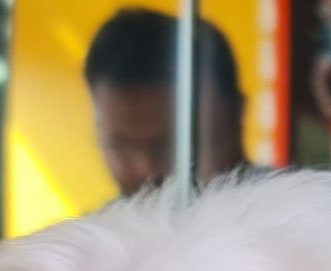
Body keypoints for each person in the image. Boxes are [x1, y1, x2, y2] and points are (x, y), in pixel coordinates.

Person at [84, 7, 250, 197]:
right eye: (120, 146)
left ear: (237, 115)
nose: (147, 171)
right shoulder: (98, 226)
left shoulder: (287, 217)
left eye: (171, 144)